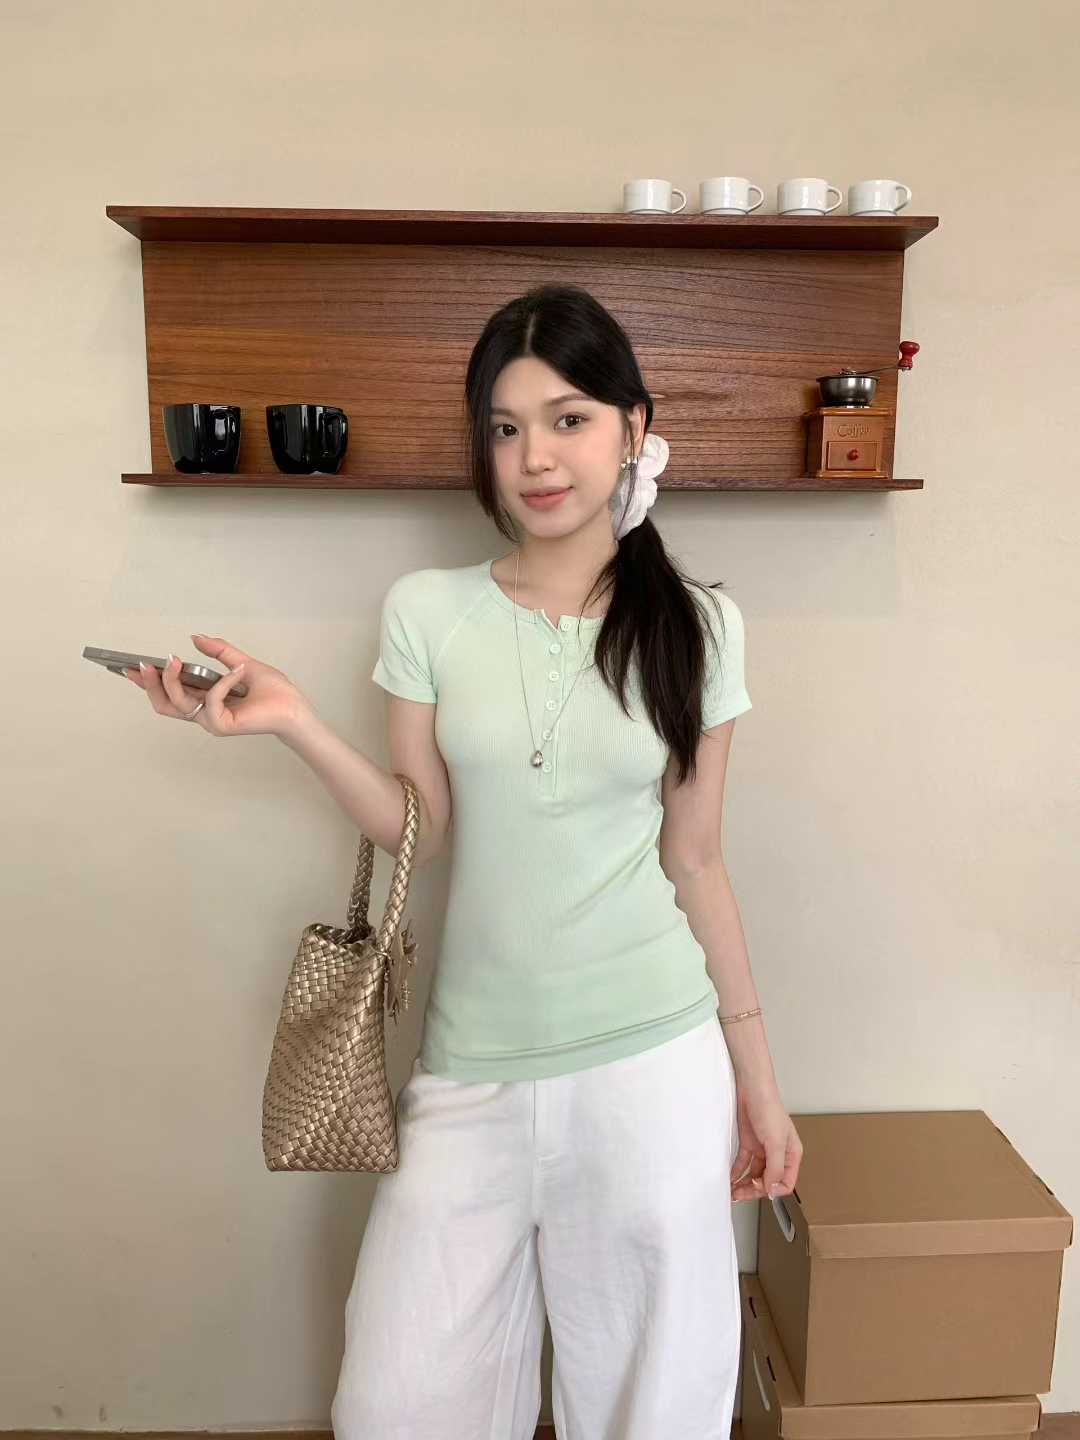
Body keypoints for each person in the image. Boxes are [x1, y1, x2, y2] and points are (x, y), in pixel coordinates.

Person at [123, 282, 802, 1440]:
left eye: (569, 418)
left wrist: (761, 1089)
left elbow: (697, 863)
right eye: (505, 426)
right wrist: (292, 722)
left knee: (653, 1408)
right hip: (471, 1066)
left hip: (652, 1063)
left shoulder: (699, 627)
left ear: (633, 427)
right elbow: (420, 829)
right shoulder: (428, 611)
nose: (535, 456)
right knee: (397, 1402)